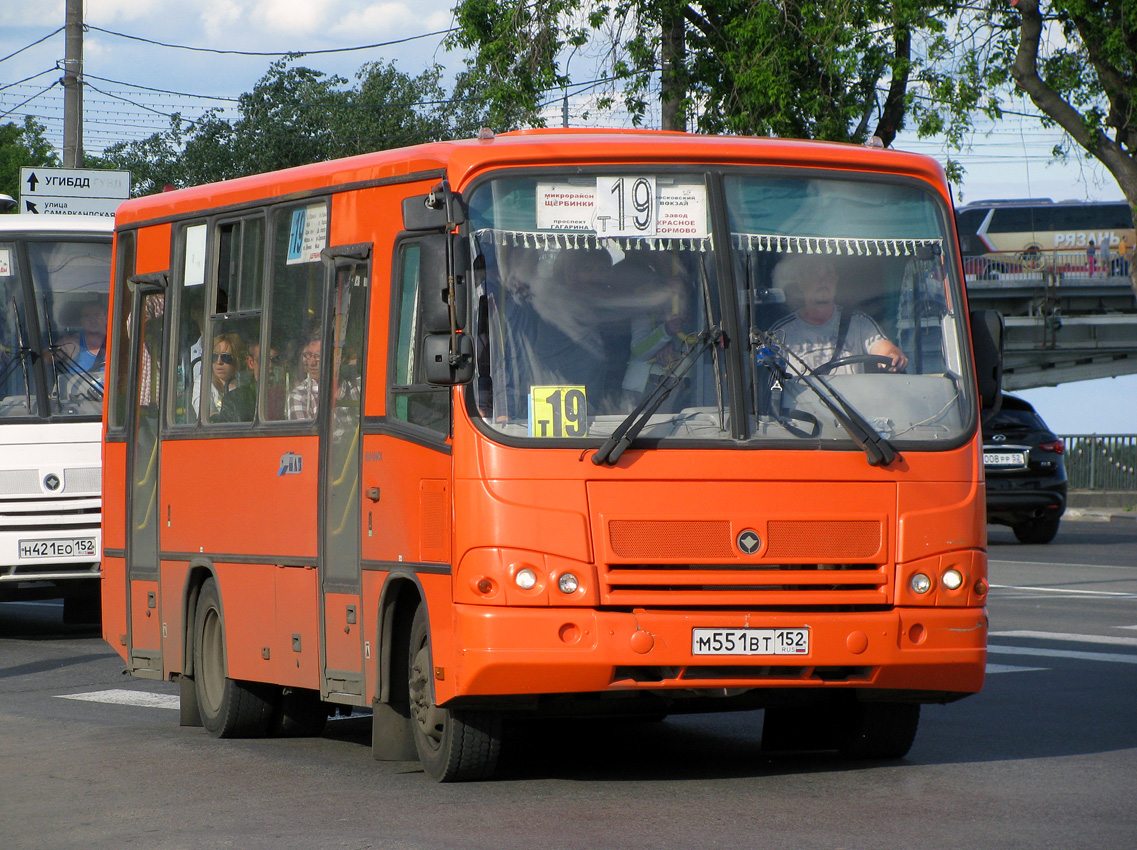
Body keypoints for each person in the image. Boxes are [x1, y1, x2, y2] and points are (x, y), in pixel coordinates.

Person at [769, 253, 907, 374]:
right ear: (801, 282)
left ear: (835, 280)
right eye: (814, 274)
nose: (822, 281)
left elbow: (886, 351)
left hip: (851, 402)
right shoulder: (782, 333)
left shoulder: (858, 322)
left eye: (828, 274)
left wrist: (894, 356)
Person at [216, 337, 281, 423]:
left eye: (275, 360)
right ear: (251, 362)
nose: (270, 365)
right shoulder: (234, 401)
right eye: (264, 360)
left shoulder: (286, 395)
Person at [55, 299, 107, 377]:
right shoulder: (70, 343)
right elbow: (43, 362)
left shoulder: (118, 342)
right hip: (79, 389)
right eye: (87, 316)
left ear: (105, 317)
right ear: (82, 320)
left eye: (97, 315)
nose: (92, 320)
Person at [205, 333, 245, 420]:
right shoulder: (203, 382)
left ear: (237, 360)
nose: (219, 361)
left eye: (225, 357)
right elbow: (205, 414)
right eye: (214, 356)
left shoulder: (245, 385)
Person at [288, 335, 321, 420]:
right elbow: (306, 432)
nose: (311, 363)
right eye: (308, 355)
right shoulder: (299, 396)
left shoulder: (357, 386)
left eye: (318, 356)